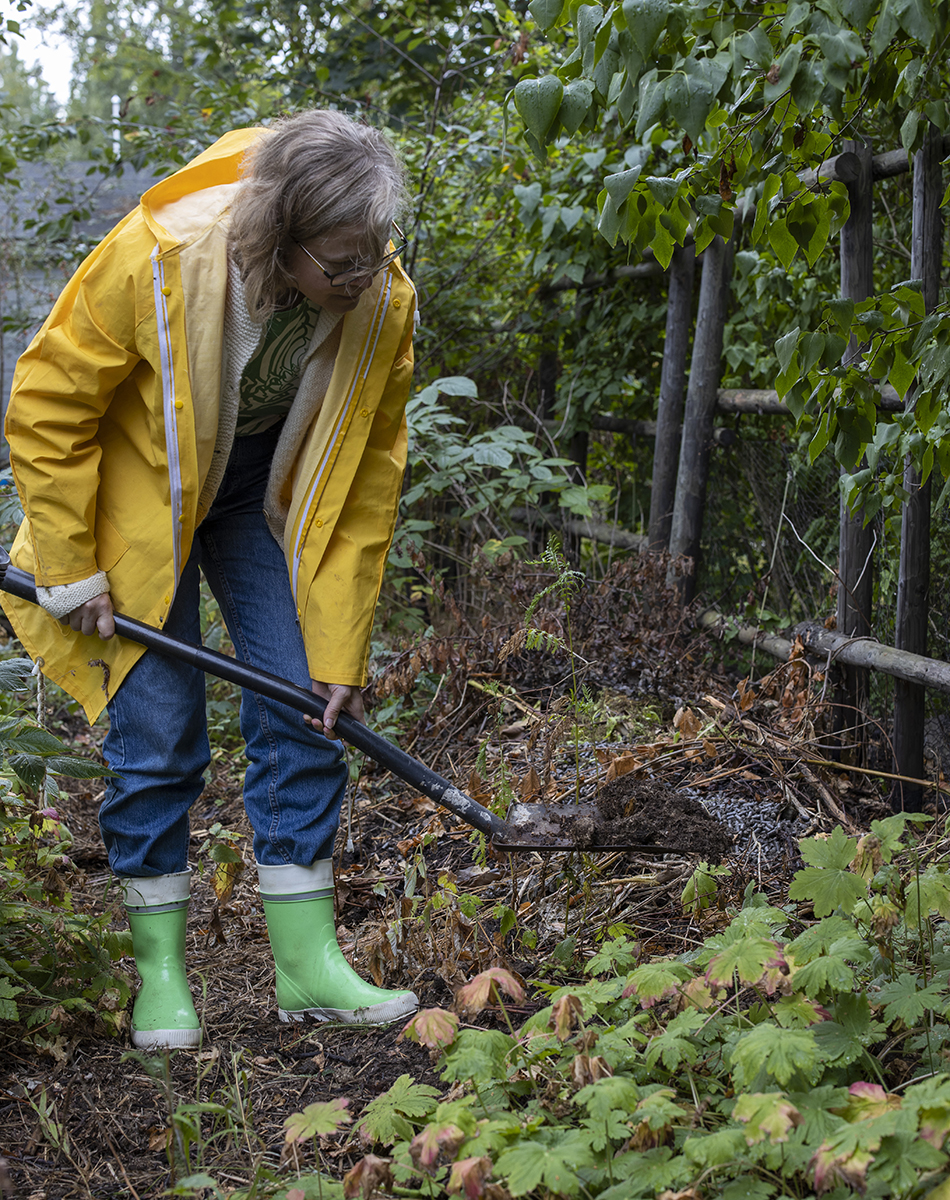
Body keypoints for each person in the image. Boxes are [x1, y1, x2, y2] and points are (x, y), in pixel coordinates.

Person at [1, 108, 420, 1048]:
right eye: (342, 261)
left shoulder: (380, 301)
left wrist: (343, 646)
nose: (365, 278)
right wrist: (70, 565)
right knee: (160, 734)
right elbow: (46, 402)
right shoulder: (159, 256)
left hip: (263, 495)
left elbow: (364, 482)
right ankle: (160, 975)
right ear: (282, 236)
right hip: (135, 502)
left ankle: (308, 969)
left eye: (375, 254)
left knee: (307, 698)